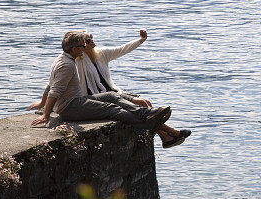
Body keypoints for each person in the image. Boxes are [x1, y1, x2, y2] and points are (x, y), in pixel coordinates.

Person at [30, 31, 171, 135]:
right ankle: (147, 123)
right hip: (70, 107)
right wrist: (46, 115)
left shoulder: (64, 59)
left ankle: (146, 114)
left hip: (78, 101)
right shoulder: (68, 64)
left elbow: (50, 85)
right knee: (112, 109)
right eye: (82, 45)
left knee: (112, 96)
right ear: (74, 49)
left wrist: (41, 105)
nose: (84, 48)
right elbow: (54, 90)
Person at [75, 29, 191, 149]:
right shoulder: (78, 61)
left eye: (92, 37)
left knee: (146, 103)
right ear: (81, 46)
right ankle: (170, 133)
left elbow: (122, 49)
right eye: (88, 40)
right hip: (97, 96)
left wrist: (141, 40)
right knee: (141, 104)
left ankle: (165, 137)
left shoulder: (101, 54)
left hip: (113, 91)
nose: (92, 40)